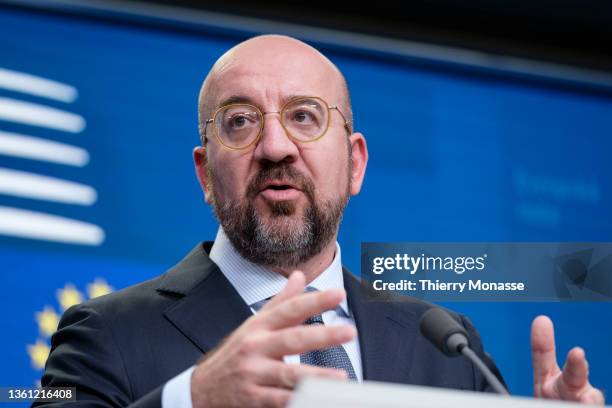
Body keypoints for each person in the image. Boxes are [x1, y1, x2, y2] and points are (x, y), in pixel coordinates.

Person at [36, 34, 604, 408]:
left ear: (354, 163)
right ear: (206, 173)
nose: (276, 146)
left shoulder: (445, 345)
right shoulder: (103, 335)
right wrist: (194, 397)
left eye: (305, 117)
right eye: (240, 122)